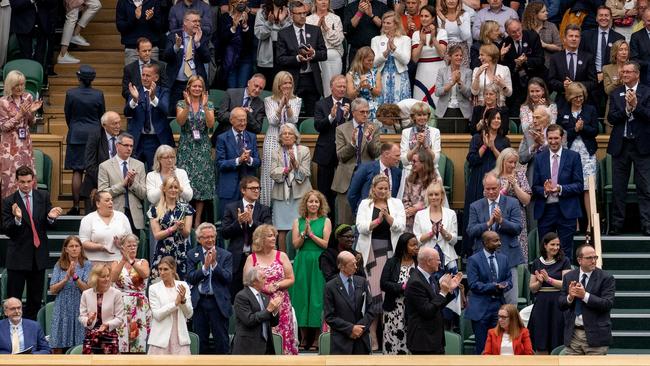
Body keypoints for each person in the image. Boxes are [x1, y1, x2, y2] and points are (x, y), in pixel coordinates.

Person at [2, 166, 62, 320]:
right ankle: (12, 333)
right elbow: (7, 230)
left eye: (29, 181)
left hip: (38, 256)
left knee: (35, 300)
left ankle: (31, 332)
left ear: (33, 181)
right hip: (18, 258)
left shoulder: (43, 196)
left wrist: (51, 218)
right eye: (22, 182)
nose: (26, 185)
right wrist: (18, 219)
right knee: (13, 300)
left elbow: (49, 226)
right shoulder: (9, 201)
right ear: (16, 182)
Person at [356, 174, 406, 350]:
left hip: (391, 251)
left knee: (388, 293)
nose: (383, 191)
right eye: (380, 188)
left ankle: (388, 335)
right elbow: (360, 227)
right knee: (374, 292)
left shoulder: (396, 204)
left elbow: (401, 226)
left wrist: (388, 218)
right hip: (371, 252)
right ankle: (372, 335)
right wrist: (377, 221)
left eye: (386, 188)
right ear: (374, 188)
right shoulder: (365, 204)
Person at [466, 172, 523, 305]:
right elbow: (471, 230)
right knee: (485, 301)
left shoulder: (512, 202)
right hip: (483, 259)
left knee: (510, 302)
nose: (491, 192)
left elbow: (517, 228)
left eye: (494, 188)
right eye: (488, 189)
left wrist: (501, 221)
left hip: (508, 257)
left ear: (499, 186)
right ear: (483, 188)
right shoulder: (476, 206)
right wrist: (488, 224)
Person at [606, 60, 650, 235]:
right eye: (623, 72)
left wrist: (636, 106)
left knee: (645, 188)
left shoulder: (647, 92)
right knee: (618, 188)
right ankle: (617, 226)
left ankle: (647, 225)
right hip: (621, 145)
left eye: (628, 72)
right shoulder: (616, 93)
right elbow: (611, 118)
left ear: (637, 74)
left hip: (642, 146)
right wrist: (626, 109)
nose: (624, 75)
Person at [243, 224, 297, 354]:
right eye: (270, 236)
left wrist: (277, 285)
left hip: (281, 304)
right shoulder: (252, 258)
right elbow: (246, 281)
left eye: (274, 236)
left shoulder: (281, 256)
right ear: (260, 239)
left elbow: (291, 278)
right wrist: (264, 288)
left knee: (283, 337)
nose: (274, 238)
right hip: (259, 304)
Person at [532, 124, 584, 260]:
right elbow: (534, 187)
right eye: (550, 138)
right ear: (546, 138)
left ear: (562, 138)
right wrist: (544, 190)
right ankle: (547, 280)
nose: (553, 141)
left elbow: (579, 186)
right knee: (546, 251)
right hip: (546, 210)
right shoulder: (539, 158)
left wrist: (560, 188)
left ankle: (564, 280)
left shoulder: (573, 157)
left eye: (556, 138)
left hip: (567, 210)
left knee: (565, 250)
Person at [463, 109, 510, 251]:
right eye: (494, 118)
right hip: (478, 179)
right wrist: (484, 145)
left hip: (497, 180)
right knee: (477, 214)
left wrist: (493, 147)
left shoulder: (504, 140)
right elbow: (472, 160)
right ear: (487, 120)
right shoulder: (477, 138)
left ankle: (495, 246)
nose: (497, 120)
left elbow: (505, 161)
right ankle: (471, 250)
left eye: (499, 118)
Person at [289, 190, 331, 350]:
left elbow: (326, 244)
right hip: (302, 261)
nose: (313, 204)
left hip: (319, 261)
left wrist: (311, 235)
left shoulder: (325, 221)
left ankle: (316, 338)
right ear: (305, 204)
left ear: (320, 204)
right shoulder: (297, 221)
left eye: (316, 202)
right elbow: (295, 245)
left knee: (316, 296)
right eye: (310, 201)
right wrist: (303, 235)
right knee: (301, 296)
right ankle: (304, 337)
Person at [332, 98, 382, 225]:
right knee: (345, 221)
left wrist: (369, 139)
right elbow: (341, 156)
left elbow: (376, 153)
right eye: (362, 112)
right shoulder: (341, 129)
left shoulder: (374, 128)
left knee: (366, 219)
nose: (365, 115)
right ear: (353, 113)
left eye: (367, 112)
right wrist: (352, 144)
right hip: (346, 178)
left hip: (367, 178)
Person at [559, 244, 616, 355]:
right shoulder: (569, 277)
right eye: (589, 258)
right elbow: (561, 304)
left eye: (595, 257)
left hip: (596, 338)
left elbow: (607, 304)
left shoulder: (606, 278)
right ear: (579, 260)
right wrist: (570, 297)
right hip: (573, 336)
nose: (593, 261)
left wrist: (585, 295)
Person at [185, 223, 233, 354]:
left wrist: (214, 265)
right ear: (199, 239)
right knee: (201, 341)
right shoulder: (191, 254)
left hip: (218, 303)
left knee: (221, 341)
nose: (210, 240)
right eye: (206, 237)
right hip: (199, 302)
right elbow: (190, 277)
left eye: (212, 236)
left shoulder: (225, 255)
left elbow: (228, 278)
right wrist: (205, 268)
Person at [64, 65, 106, 214]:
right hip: (95, 134)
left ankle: (75, 206)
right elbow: (102, 116)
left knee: (77, 170)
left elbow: (68, 115)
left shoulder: (71, 94)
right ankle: (95, 207)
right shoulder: (98, 94)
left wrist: (75, 127)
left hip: (76, 134)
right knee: (95, 170)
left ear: (78, 77)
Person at [405, 247, 462, 355]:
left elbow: (437, 304)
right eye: (438, 259)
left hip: (435, 340)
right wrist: (443, 292)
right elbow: (427, 311)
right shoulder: (415, 282)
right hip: (423, 342)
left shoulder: (429, 277)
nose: (440, 263)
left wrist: (449, 290)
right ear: (429, 261)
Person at [558, 82, 599, 231]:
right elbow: (561, 133)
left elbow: (595, 131)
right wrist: (575, 129)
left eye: (581, 97)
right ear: (570, 97)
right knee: (571, 187)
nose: (579, 100)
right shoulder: (563, 111)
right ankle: (573, 222)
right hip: (569, 153)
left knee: (588, 188)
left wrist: (584, 128)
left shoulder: (590, 110)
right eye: (576, 97)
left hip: (587, 153)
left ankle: (590, 223)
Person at [222, 176, 272, 298]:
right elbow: (224, 233)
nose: (256, 191)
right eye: (252, 188)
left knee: (258, 297)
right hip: (237, 259)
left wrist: (251, 222)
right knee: (235, 296)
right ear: (243, 190)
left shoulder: (264, 209)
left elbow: (268, 230)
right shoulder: (232, 208)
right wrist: (238, 222)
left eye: (258, 188)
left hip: (257, 257)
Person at [276, 0, 327, 117]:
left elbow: (324, 54)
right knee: (292, 116)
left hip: (312, 78)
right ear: (291, 14)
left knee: (312, 116)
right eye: (299, 13)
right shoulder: (283, 34)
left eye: (304, 13)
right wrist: (297, 59)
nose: (303, 16)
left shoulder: (315, 30)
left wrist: (314, 54)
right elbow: (280, 59)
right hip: (293, 80)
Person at [465, 231, 512, 355]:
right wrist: (493, 286)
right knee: (483, 348)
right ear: (485, 243)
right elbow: (473, 284)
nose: (499, 243)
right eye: (495, 241)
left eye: (499, 240)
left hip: (498, 307)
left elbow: (509, 280)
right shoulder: (473, 260)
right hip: (481, 309)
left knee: (499, 346)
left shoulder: (503, 259)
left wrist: (505, 285)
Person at [176, 75, 215, 226]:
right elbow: (180, 121)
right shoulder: (181, 103)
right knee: (186, 183)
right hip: (187, 146)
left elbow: (211, 124)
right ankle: (186, 219)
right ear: (188, 88)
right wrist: (187, 106)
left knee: (201, 184)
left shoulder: (209, 104)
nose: (197, 89)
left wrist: (205, 106)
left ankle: (197, 221)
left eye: (200, 86)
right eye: (194, 86)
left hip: (203, 147)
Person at [323, 251, 378, 355]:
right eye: (352, 264)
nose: (356, 267)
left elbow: (370, 310)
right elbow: (329, 316)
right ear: (342, 267)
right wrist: (350, 329)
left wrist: (359, 328)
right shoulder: (330, 286)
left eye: (356, 263)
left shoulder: (362, 282)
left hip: (361, 341)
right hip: (341, 342)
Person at [261, 71, 302, 207]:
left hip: (290, 139)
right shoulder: (269, 100)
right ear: (278, 85)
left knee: (290, 170)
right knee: (271, 174)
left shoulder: (296, 100)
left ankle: (288, 208)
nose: (288, 85)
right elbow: (273, 121)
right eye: (285, 83)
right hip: (273, 139)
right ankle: (269, 208)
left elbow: (293, 119)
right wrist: (280, 106)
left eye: (290, 83)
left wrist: (288, 105)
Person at [270, 124, 313, 250]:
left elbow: (306, 173)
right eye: (284, 134)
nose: (287, 135)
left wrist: (295, 163)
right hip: (281, 195)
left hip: (300, 194)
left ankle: (300, 257)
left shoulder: (304, 150)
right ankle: (283, 259)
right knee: (282, 230)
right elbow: (272, 172)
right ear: (280, 137)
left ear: (296, 137)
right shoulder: (275, 152)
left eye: (290, 133)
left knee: (300, 227)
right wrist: (286, 169)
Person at [528, 232, 572, 354]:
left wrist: (549, 280)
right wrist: (540, 282)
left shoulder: (564, 261)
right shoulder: (537, 262)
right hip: (541, 304)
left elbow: (566, 284)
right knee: (541, 340)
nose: (556, 247)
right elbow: (532, 288)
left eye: (558, 245)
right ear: (545, 245)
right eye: (552, 244)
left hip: (558, 303)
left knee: (557, 337)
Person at [314, 75, 351, 215]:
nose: (342, 89)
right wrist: (331, 116)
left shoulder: (351, 103)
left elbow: (355, 127)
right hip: (326, 154)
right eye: (339, 86)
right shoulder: (321, 104)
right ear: (331, 87)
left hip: (345, 154)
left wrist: (347, 117)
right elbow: (318, 126)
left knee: (344, 192)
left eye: (344, 86)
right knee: (325, 193)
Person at [124, 63, 173, 172]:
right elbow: (126, 112)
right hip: (138, 139)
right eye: (143, 75)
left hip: (156, 139)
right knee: (134, 173)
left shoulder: (163, 91)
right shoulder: (134, 90)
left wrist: (153, 97)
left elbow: (165, 110)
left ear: (156, 77)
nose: (144, 78)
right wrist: (134, 100)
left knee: (156, 173)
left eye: (148, 75)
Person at [0, 70, 40, 200]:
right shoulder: (3, 102)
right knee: (10, 181)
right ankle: (8, 214)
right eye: (17, 85)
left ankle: (28, 212)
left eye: (22, 84)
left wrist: (31, 113)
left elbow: (31, 122)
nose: (20, 88)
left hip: (24, 145)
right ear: (9, 85)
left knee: (27, 177)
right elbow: (4, 126)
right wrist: (19, 114)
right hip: (9, 147)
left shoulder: (28, 97)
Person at [216, 108, 261, 220]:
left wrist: (249, 159)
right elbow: (220, 163)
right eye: (240, 120)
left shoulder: (252, 137)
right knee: (228, 223)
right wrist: (238, 160)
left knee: (249, 222)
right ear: (232, 120)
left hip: (248, 189)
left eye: (245, 120)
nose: (243, 123)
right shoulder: (222, 138)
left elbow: (258, 161)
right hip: (229, 189)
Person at [48, 236, 92, 353]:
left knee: (79, 342)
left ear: (80, 248)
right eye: (71, 246)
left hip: (80, 304)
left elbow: (87, 289)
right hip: (62, 306)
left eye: (76, 246)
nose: (74, 249)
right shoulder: (59, 265)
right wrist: (66, 278)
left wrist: (75, 277)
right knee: (58, 343)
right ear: (66, 249)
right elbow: (52, 289)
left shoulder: (87, 265)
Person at [163, 10, 212, 114]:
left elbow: (207, 58)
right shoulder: (173, 36)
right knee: (173, 114)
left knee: (195, 114)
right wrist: (176, 46)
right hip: (176, 85)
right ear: (185, 22)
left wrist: (198, 43)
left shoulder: (203, 36)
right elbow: (166, 57)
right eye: (194, 21)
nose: (197, 24)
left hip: (196, 86)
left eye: (199, 21)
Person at [98, 132, 147, 233]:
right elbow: (102, 194)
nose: (129, 148)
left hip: (135, 217)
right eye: (126, 145)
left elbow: (143, 194)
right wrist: (122, 185)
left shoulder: (139, 165)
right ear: (117, 146)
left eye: (131, 146)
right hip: (114, 213)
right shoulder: (105, 166)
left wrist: (133, 183)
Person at [110, 234, 152, 353]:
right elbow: (113, 278)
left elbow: (145, 274)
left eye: (134, 245)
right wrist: (124, 260)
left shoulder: (143, 262)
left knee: (137, 340)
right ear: (122, 247)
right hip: (121, 303)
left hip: (139, 304)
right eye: (129, 245)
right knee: (120, 337)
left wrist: (132, 262)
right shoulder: (116, 262)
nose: (133, 248)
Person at [148, 176, 195, 280]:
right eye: (170, 187)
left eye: (175, 187)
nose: (173, 190)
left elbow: (187, 233)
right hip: (163, 251)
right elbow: (157, 235)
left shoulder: (186, 208)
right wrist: (172, 229)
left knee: (182, 285)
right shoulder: (155, 210)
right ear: (164, 189)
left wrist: (181, 228)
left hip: (182, 251)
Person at [413, 181, 458, 287]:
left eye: (436, 194)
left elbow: (454, 240)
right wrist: (430, 233)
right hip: (427, 262)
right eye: (431, 194)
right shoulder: (420, 215)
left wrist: (444, 232)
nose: (434, 197)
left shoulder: (451, 214)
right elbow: (417, 240)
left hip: (447, 259)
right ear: (427, 196)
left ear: (442, 195)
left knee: (450, 294)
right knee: (428, 292)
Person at [380, 232, 418, 354]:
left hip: (413, 310)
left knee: (410, 342)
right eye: (412, 245)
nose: (416, 247)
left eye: (417, 244)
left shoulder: (419, 263)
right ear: (403, 246)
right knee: (393, 342)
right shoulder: (392, 262)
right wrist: (402, 287)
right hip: (394, 309)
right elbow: (383, 284)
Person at [147, 256, 193, 355]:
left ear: (173, 270)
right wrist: (175, 303)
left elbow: (189, 314)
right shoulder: (153, 288)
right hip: (160, 339)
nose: (162, 272)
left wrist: (183, 301)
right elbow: (157, 315)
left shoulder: (183, 285)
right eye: (160, 269)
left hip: (180, 338)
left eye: (165, 269)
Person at [501, 19, 546, 117]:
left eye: (519, 30)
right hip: (517, 84)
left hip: (534, 78)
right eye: (513, 32)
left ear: (521, 26)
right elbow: (505, 67)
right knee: (515, 112)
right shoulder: (506, 43)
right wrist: (513, 63)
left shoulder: (532, 36)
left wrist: (526, 60)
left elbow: (540, 60)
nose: (517, 33)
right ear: (507, 32)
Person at [492, 148, 531, 258]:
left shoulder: (520, 175)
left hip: (517, 216)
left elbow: (527, 200)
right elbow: (492, 199)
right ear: (503, 161)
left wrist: (515, 185)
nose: (513, 165)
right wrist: (506, 187)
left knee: (518, 249)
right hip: (499, 215)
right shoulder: (494, 176)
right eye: (510, 162)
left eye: (515, 162)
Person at [232, 267, 282, 354]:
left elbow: (273, 323)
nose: (266, 280)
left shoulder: (265, 297)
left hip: (266, 347)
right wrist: (268, 310)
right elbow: (249, 320)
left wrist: (275, 310)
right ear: (254, 281)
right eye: (263, 278)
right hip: (248, 347)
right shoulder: (242, 296)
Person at [81, 111, 124, 212]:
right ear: (104, 125)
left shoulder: (124, 136)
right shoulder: (95, 136)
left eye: (119, 122)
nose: (118, 126)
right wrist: (104, 184)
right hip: (96, 182)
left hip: (120, 183)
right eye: (114, 123)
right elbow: (90, 165)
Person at [547, 24, 597, 110]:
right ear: (564, 39)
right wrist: (563, 85)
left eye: (577, 36)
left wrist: (575, 86)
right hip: (562, 102)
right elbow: (551, 81)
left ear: (580, 39)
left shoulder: (588, 57)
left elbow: (593, 82)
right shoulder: (555, 58)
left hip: (582, 102)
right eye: (571, 36)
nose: (574, 39)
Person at [79, 264, 124, 354]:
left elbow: (120, 318)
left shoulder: (116, 293)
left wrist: (107, 324)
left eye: (108, 276)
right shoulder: (86, 294)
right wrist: (88, 320)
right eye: (103, 277)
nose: (107, 279)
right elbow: (81, 317)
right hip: (91, 336)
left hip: (109, 336)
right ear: (95, 278)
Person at [348, 142, 402, 215]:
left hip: (389, 215)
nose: (399, 159)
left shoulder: (397, 172)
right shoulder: (366, 168)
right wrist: (359, 212)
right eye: (397, 156)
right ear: (386, 154)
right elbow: (352, 194)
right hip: (367, 214)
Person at [79, 191, 132, 264]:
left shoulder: (122, 217)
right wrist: (100, 247)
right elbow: (83, 242)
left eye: (111, 200)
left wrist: (121, 244)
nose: (111, 202)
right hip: (94, 262)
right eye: (107, 200)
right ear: (98, 204)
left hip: (118, 261)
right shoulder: (88, 219)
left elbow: (130, 239)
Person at [399, 101, 441, 191]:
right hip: (410, 172)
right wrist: (417, 146)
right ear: (413, 117)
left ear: (428, 116)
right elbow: (404, 161)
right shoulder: (406, 132)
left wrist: (426, 146)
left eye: (424, 115)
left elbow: (436, 160)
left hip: (429, 172)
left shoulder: (435, 132)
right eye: (419, 115)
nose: (422, 118)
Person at [306, 0, 345, 97]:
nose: (323, 2)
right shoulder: (308, 19)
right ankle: (326, 105)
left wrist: (326, 28)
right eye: (320, 0)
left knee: (335, 84)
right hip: (315, 55)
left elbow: (338, 41)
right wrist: (317, 28)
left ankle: (334, 103)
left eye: (326, 0)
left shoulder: (336, 18)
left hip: (333, 53)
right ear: (315, 2)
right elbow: (308, 43)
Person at [371, 11, 411, 105]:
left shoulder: (405, 39)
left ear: (396, 24)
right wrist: (386, 52)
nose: (385, 25)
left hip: (400, 77)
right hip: (381, 77)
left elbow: (406, 60)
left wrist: (394, 49)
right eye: (384, 22)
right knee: (381, 107)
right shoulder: (376, 39)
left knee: (400, 106)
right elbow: (373, 63)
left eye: (388, 23)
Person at [411, 6, 447, 108]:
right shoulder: (416, 34)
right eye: (421, 16)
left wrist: (433, 38)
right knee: (421, 103)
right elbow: (414, 59)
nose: (423, 18)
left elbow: (442, 54)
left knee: (437, 100)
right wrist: (421, 42)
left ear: (433, 18)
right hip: (422, 71)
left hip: (438, 69)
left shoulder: (442, 32)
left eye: (426, 16)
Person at [217, 0, 256, 89]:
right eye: (239, 1)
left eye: (243, 1)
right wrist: (233, 27)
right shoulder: (225, 18)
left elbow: (250, 41)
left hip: (245, 59)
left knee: (242, 88)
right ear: (233, 3)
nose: (241, 3)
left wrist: (245, 26)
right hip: (230, 59)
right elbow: (222, 40)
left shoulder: (251, 18)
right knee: (232, 89)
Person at [434, 44, 473, 131]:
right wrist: (452, 83)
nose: (459, 57)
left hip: (462, 111)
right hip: (445, 111)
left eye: (461, 55)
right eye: (456, 55)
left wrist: (459, 82)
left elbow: (469, 93)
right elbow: (437, 92)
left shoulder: (468, 72)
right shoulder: (442, 71)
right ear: (449, 57)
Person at [253, 0, 292, 86]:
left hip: (283, 54)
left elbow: (291, 35)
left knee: (280, 87)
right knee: (265, 88)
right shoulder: (262, 12)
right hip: (266, 56)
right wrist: (269, 23)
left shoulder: (288, 12)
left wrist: (283, 22)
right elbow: (259, 34)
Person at [403, 150, 442, 231]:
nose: (411, 164)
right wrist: (410, 210)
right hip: (410, 217)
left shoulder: (435, 180)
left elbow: (436, 201)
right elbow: (405, 199)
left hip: (429, 217)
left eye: (414, 161)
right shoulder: (409, 179)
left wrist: (417, 209)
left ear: (424, 163)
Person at [116, 0, 163, 65]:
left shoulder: (154, 1)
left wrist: (151, 19)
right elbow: (120, 27)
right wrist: (134, 18)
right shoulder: (123, 2)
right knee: (132, 74)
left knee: (152, 74)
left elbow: (159, 26)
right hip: (132, 48)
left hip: (151, 48)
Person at [343, 0, 387, 64]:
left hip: (377, 49)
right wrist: (359, 12)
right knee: (354, 73)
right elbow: (347, 29)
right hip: (357, 50)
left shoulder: (382, 6)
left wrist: (371, 15)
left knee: (376, 73)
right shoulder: (350, 7)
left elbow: (386, 27)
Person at [521, 2, 561, 69]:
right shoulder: (525, 29)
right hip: (529, 67)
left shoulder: (551, 26)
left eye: (546, 11)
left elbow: (559, 48)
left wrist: (545, 45)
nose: (547, 13)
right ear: (534, 14)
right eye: (543, 12)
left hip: (548, 66)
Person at [346, 47, 382, 121]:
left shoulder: (376, 72)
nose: (371, 62)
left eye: (372, 60)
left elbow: (378, 93)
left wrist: (369, 87)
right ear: (361, 60)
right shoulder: (350, 75)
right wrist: (359, 87)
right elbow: (350, 95)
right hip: (358, 110)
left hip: (373, 109)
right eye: (369, 60)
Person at [519, 77, 557, 142]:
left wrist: (544, 109)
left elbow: (551, 126)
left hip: (547, 141)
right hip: (529, 141)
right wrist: (537, 108)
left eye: (537, 91)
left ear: (543, 91)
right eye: (532, 91)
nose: (534, 94)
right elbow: (525, 128)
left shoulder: (552, 106)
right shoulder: (524, 107)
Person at [437, 0, 473, 69]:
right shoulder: (440, 15)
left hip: (461, 49)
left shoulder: (465, 14)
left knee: (462, 76)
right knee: (447, 76)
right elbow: (440, 36)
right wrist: (443, 21)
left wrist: (457, 19)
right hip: (445, 49)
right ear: (444, 1)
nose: (451, 1)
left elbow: (465, 36)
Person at [603, 40, 629, 128]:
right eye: (621, 50)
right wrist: (617, 81)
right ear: (615, 52)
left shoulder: (634, 67)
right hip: (613, 112)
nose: (624, 52)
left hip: (630, 111)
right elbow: (607, 91)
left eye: (626, 49)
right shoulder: (607, 69)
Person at [630, 8, 650, 85]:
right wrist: (648, 64)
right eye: (649, 20)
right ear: (643, 21)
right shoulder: (636, 36)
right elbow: (634, 59)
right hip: (645, 78)